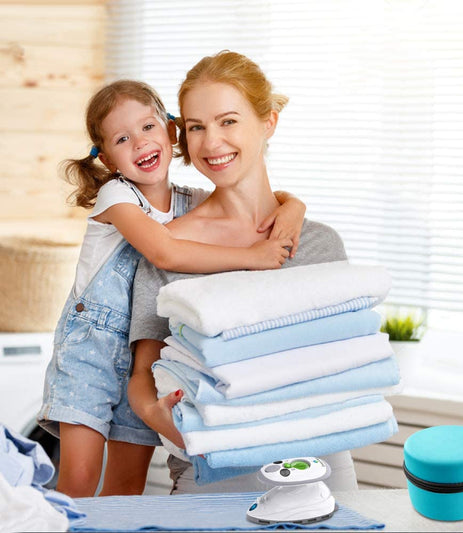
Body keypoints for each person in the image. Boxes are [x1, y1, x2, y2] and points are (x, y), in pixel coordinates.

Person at [37, 79, 307, 498]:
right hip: (91, 351)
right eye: (122, 139)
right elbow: (164, 252)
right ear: (107, 158)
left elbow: (249, 198)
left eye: (148, 127)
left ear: (170, 130)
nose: (140, 143)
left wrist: (294, 206)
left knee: (127, 487)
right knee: (80, 479)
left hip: (146, 353)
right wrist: (253, 256)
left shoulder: (190, 201)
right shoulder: (116, 196)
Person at [128, 50, 358, 494]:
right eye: (196, 127)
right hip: (211, 467)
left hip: (320, 467)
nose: (211, 143)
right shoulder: (168, 249)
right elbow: (143, 373)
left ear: (268, 122)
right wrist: (155, 415)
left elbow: (342, 362)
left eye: (228, 121)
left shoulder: (319, 245)